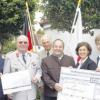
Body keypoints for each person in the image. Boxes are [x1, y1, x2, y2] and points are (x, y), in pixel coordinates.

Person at [3, 35, 42, 100]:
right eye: (20, 42)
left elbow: (39, 70)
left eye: (25, 42)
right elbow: (6, 75)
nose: (23, 44)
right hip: (17, 95)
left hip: (31, 94)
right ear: (16, 44)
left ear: (28, 44)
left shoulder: (35, 56)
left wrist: (37, 78)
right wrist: (8, 92)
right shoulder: (9, 57)